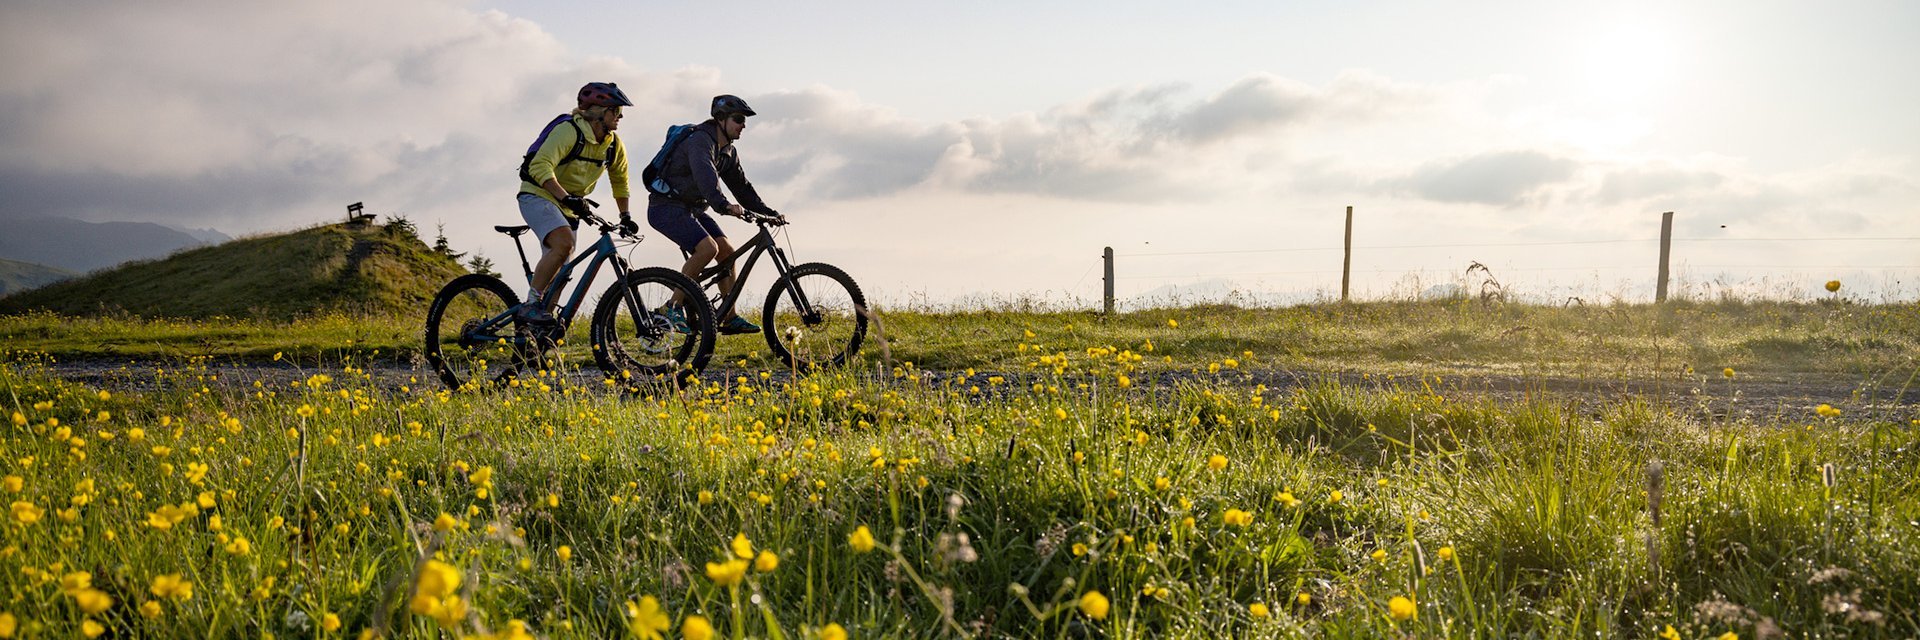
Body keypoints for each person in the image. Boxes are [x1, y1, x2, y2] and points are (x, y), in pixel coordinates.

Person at [646, 94, 782, 335]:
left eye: (744, 121)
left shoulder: (728, 151)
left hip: (692, 209)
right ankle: (671, 307)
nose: (744, 125)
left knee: (727, 251)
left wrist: (768, 213)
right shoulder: (700, 140)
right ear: (720, 119)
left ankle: (729, 318)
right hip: (665, 207)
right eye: (739, 119)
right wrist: (723, 205)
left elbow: (742, 187)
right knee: (708, 248)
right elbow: (705, 176)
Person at [515, 82, 639, 325]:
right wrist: (566, 197)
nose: (620, 116)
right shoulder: (569, 131)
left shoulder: (613, 144)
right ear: (598, 112)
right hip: (538, 195)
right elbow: (539, 166)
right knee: (564, 244)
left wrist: (625, 216)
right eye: (615, 111)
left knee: (562, 273)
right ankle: (530, 305)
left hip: (570, 205)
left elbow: (620, 180)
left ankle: (537, 333)